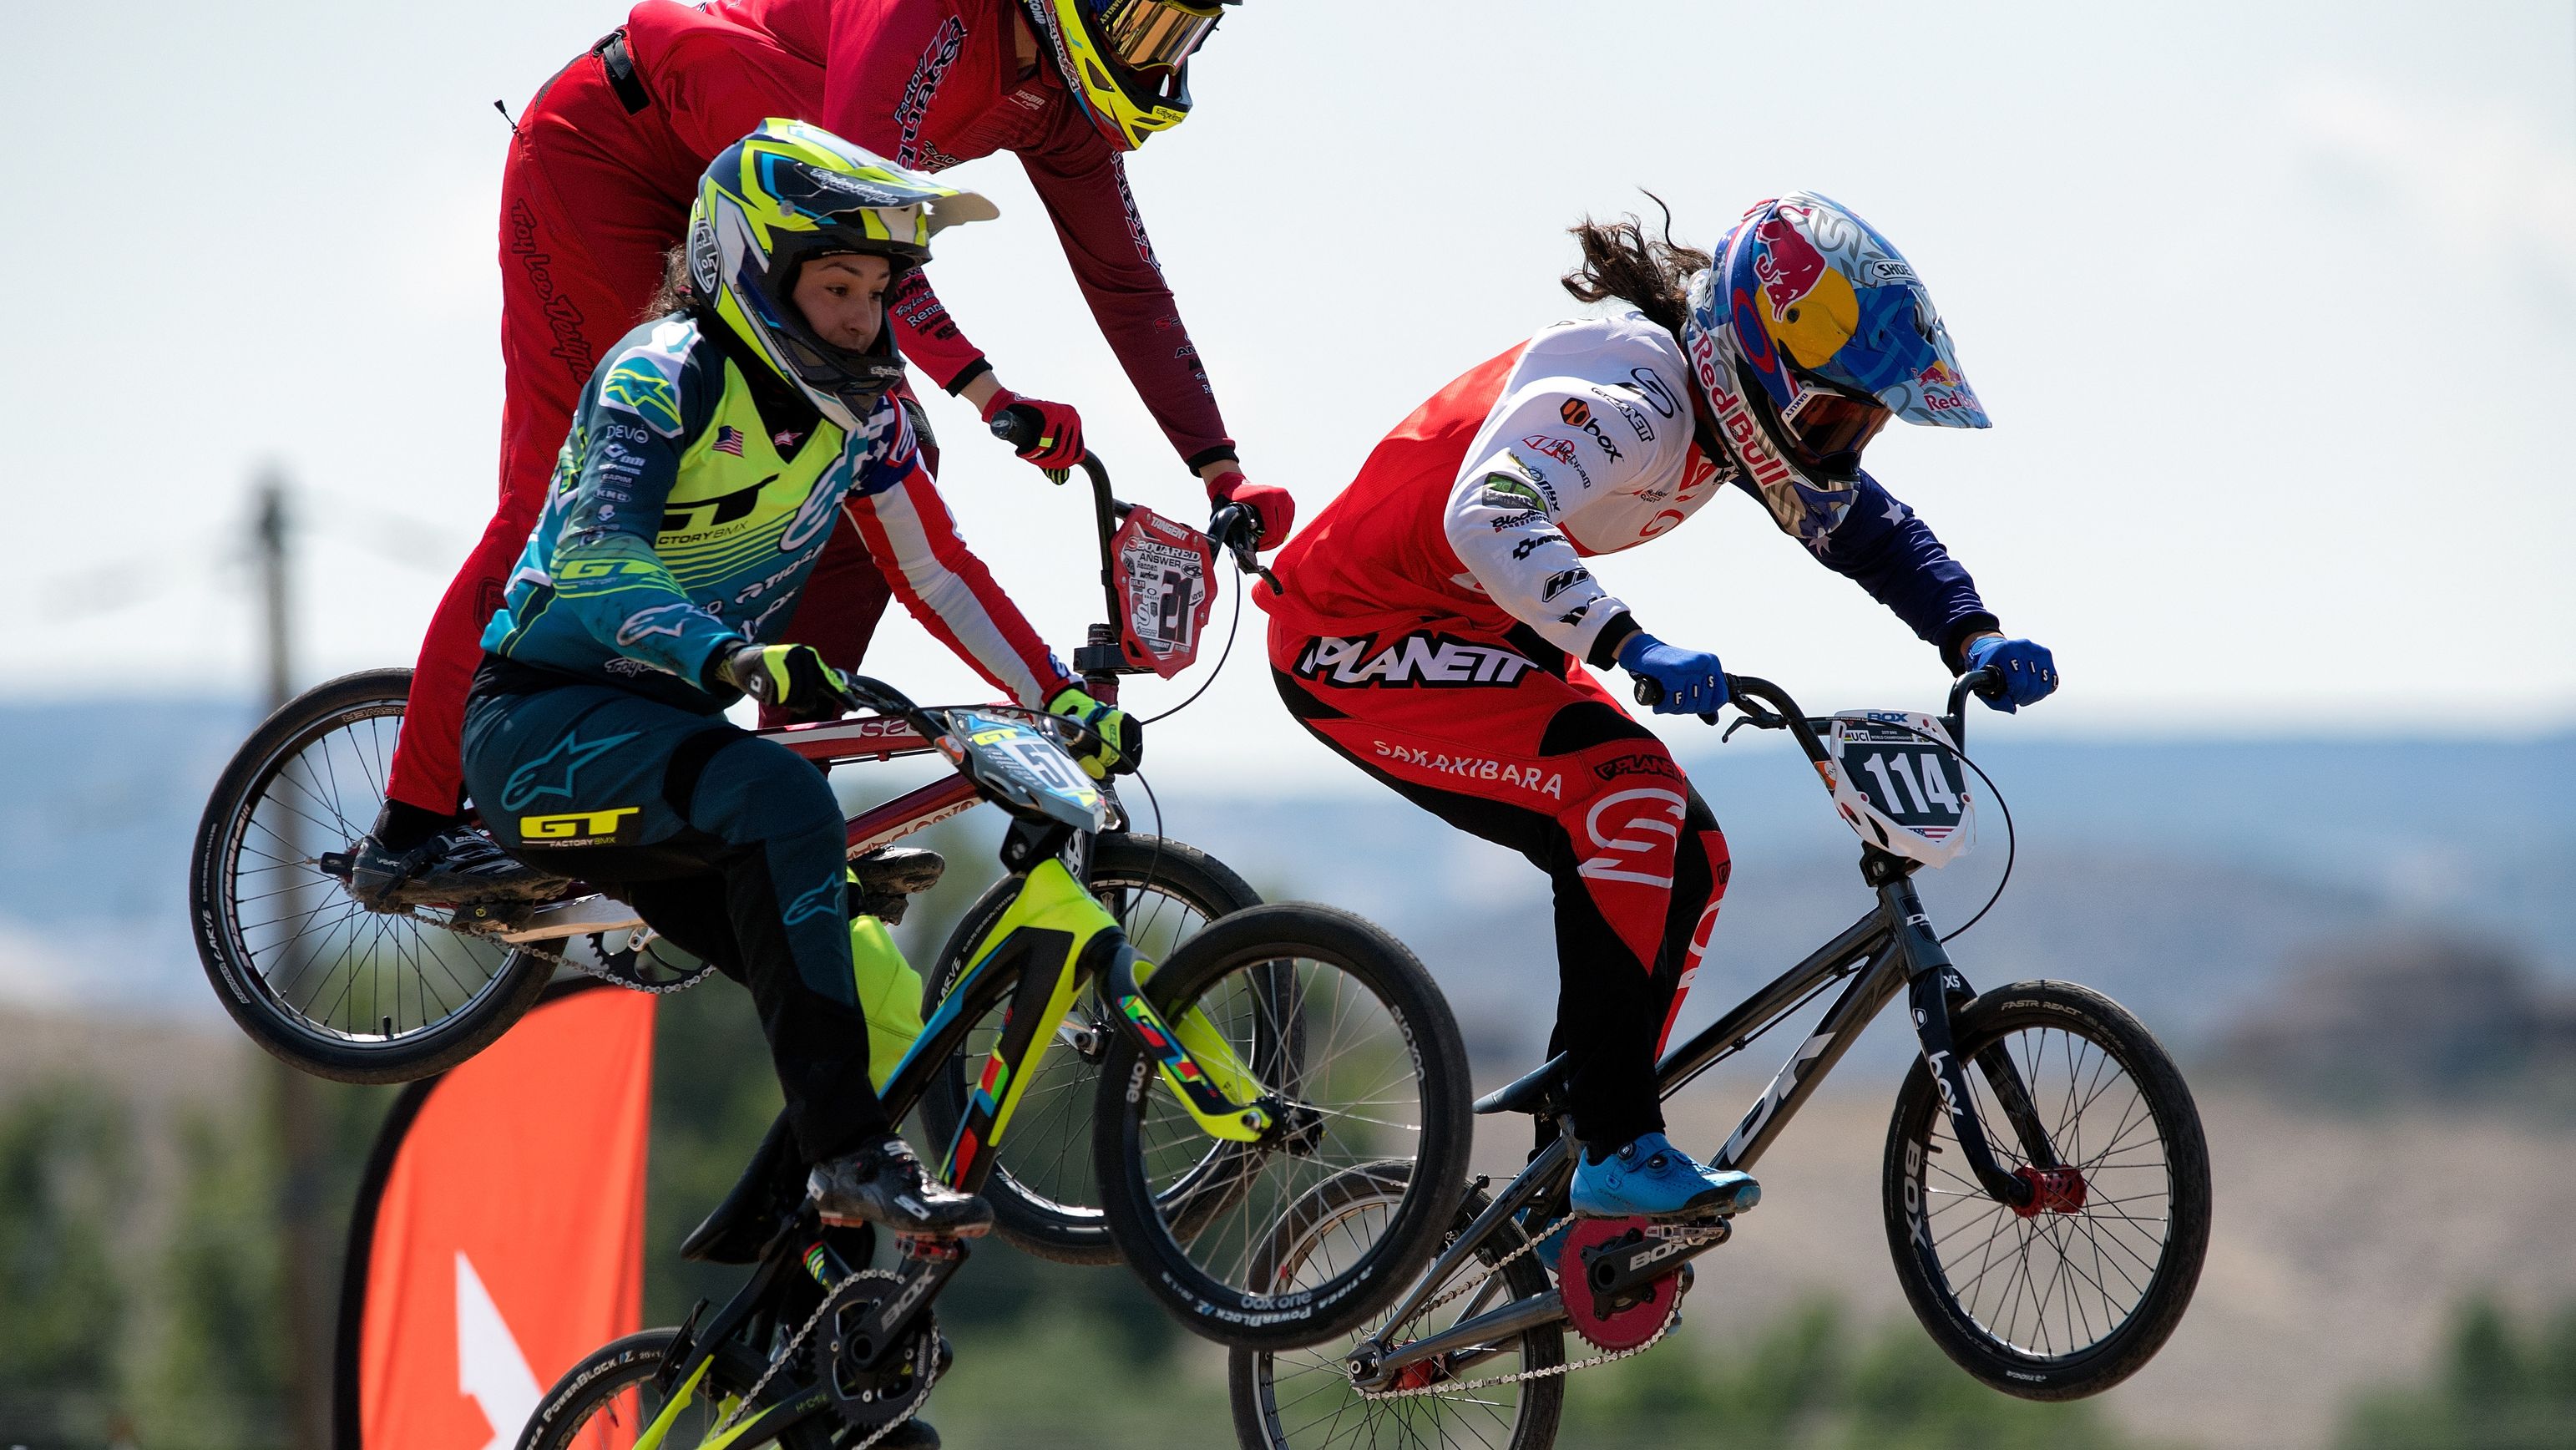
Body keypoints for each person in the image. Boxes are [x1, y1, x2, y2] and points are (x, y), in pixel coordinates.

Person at [356, 0, 1289, 903]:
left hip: (773, 240)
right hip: (615, 161)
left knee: (873, 473)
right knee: (553, 502)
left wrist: (1218, 466)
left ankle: (769, 786)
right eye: (1140, 21)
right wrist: (983, 388)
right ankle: (409, 827)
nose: (1159, 56)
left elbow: (1128, 286)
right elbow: (858, 212)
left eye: (1182, 32)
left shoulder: (1061, 109)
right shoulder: (930, 17)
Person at [1260, 193, 2059, 1224]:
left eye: (1861, 428)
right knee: (1625, 800)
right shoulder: (1634, 400)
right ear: (1754, 366)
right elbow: (1486, 510)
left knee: (1693, 850)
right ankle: (1614, 1136)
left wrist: (1970, 631)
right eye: (1828, 417)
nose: (1837, 450)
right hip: (1351, 633)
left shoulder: (1731, 421)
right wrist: (1626, 640)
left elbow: (1872, 533)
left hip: (1469, 625)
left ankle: (1572, 1147)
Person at [459, 124, 1139, 1274]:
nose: (862, 319)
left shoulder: (860, 418)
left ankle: (793, 1322)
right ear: (752, 266)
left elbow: (936, 571)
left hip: (666, 750)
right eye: (835, 286)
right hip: (542, 725)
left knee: (833, 956)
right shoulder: (660, 374)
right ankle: (849, 1160)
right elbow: (594, 559)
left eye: (878, 290)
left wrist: (1057, 696)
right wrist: (732, 658)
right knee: (785, 806)